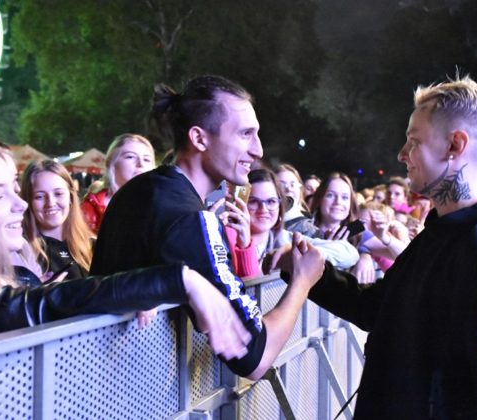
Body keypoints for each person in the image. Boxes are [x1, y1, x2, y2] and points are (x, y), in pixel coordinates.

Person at [274, 75, 477, 418]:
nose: (402, 154)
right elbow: (375, 308)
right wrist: (310, 273)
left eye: (414, 141)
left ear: (455, 145)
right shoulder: (440, 232)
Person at [90, 75, 324, 380]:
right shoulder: (191, 220)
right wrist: (303, 281)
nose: (257, 150)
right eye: (245, 134)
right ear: (199, 139)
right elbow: (254, 358)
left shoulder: (136, 190)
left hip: (98, 382)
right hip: (135, 387)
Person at [0, 143, 252, 361]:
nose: (20, 205)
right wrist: (178, 280)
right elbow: (47, 304)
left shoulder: (19, 271)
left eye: (15, 189)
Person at [227, 168, 358, 275]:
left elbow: (349, 253)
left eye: (271, 201)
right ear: (241, 203)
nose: (264, 209)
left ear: (280, 206)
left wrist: (296, 254)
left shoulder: (285, 238)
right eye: (254, 201)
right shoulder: (225, 237)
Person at [21, 160, 94, 280]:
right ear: (27, 201)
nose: (50, 203)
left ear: (71, 197)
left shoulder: (92, 245)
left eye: (58, 194)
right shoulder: (22, 253)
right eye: (39, 196)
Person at [81, 134, 156, 234]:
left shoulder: (162, 205)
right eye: (130, 157)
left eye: (146, 159)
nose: (141, 164)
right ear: (110, 163)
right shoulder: (90, 209)